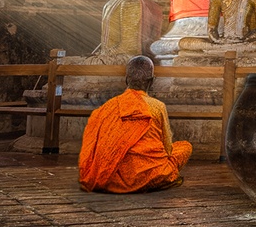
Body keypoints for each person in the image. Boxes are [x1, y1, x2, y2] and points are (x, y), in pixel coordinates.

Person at [77, 56, 191, 193]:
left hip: (112, 176)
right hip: (151, 173)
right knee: (185, 147)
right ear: (152, 81)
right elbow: (167, 148)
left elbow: (95, 146)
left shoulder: (108, 107)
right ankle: (152, 178)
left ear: (126, 80)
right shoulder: (157, 106)